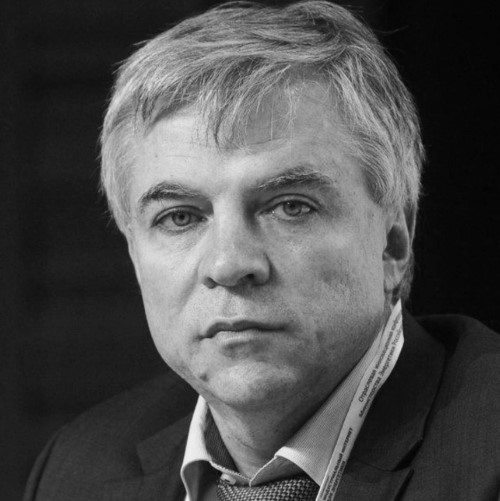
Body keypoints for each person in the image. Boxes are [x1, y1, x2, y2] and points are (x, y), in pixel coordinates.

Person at [24, 2, 500, 500]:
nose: (230, 264)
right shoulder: (76, 472)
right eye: (180, 217)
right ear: (133, 254)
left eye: (290, 207)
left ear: (394, 242)